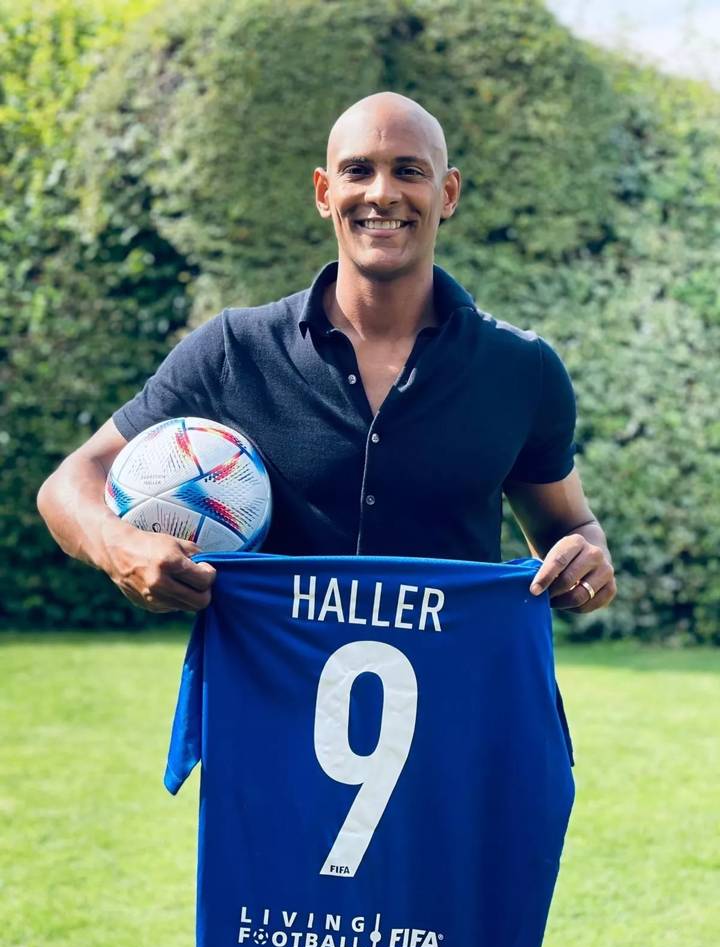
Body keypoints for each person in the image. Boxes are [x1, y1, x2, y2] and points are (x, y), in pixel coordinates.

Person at [37, 92, 616, 617]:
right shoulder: (235, 350)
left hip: (455, 713)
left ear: (447, 194)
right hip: (266, 710)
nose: (381, 193)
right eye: (357, 170)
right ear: (324, 192)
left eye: (408, 171)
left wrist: (585, 563)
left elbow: (571, 528)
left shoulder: (521, 369)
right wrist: (122, 547)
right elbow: (69, 484)